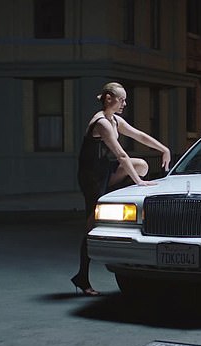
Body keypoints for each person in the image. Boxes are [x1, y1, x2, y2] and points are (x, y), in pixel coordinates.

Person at [71, 82, 171, 296]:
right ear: (109, 99)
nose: (125, 103)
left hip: (105, 170)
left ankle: (120, 192)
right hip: (91, 177)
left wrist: (164, 148)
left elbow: (140, 136)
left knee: (142, 165)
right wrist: (139, 183)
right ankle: (82, 277)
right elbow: (121, 155)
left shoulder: (115, 120)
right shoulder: (102, 123)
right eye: (122, 99)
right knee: (91, 226)